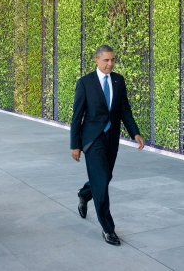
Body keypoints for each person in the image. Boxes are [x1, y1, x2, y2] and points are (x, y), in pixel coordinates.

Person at [70, 45, 144, 246]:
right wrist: (75, 144)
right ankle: (108, 228)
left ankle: (84, 194)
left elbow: (124, 110)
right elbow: (77, 116)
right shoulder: (85, 83)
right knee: (102, 180)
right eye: (106, 60)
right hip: (92, 139)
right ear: (96, 60)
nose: (110, 63)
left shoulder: (119, 80)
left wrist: (135, 132)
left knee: (105, 177)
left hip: (111, 138)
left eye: (112, 60)